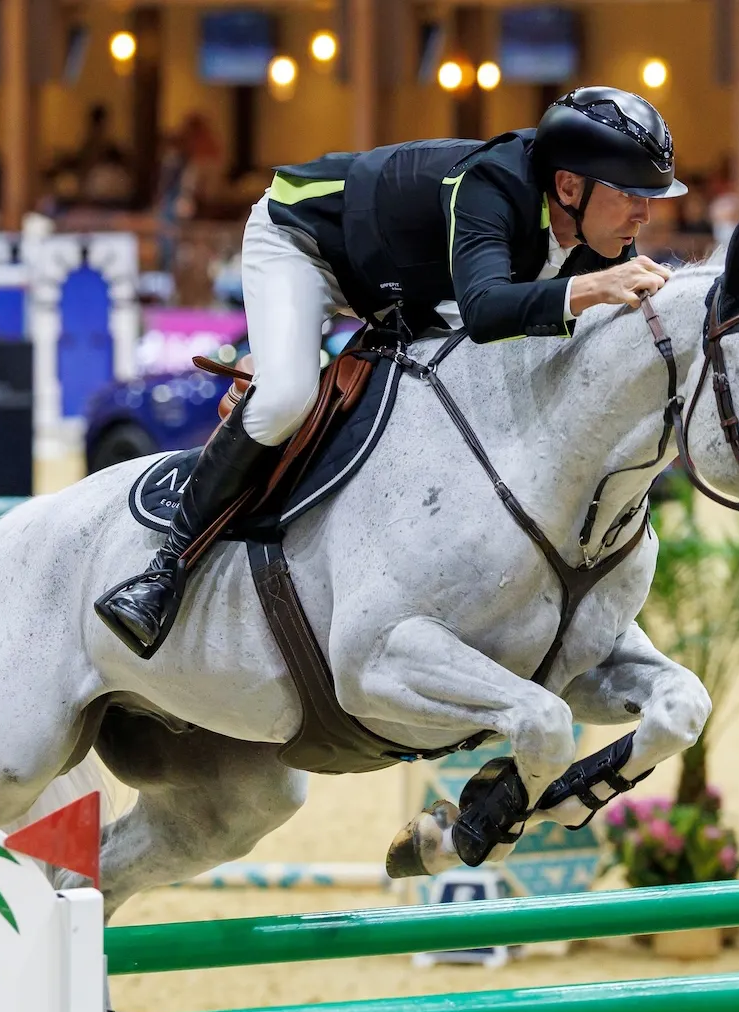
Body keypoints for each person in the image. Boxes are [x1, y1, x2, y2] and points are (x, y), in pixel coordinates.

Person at [95, 86, 688, 656]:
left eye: (651, 196)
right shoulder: (493, 184)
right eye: (631, 194)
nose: (645, 213)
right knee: (284, 398)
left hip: (405, 286)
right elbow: (484, 312)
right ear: (568, 186)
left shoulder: (594, 237)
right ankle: (163, 569)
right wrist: (592, 288)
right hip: (305, 244)